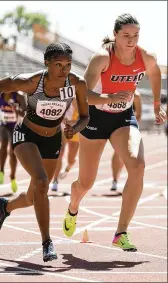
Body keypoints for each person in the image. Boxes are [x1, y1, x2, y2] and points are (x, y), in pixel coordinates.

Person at [63, 13, 167, 252]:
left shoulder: (146, 56)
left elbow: (154, 73)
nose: (131, 41)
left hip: (123, 118)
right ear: (115, 35)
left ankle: (121, 232)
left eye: (135, 36)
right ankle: (73, 206)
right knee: (86, 182)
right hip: (96, 118)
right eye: (126, 36)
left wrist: (157, 106)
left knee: (138, 166)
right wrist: (108, 97)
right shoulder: (102, 58)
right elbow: (83, 95)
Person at [0, 42, 90, 262]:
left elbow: (85, 117)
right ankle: (47, 242)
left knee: (34, 196)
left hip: (53, 140)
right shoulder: (32, 82)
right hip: (26, 136)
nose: (64, 70)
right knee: (41, 183)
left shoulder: (76, 83)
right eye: (58, 64)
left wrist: (74, 129)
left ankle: (6, 206)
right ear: (47, 63)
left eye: (68, 65)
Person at [110, 90, 142, 192]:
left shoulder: (136, 96)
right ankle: (115, 179)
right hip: (112, 125)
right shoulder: (115, 92)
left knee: (122, 154)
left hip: (127, 126)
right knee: (117, 153)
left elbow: (139, 115)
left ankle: (118, 179)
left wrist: (131, 127)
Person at [0, 91, 27, 193]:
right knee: (4, 143)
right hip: (3, 124)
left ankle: (13, 177)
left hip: (15, 125)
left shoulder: (19, 96)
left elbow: (25, 113)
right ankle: (1, 171)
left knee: (13, 151)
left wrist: (16, 109)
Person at [51, 98, 80, 192]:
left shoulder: (75, 100)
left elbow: (82, 118)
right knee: (59, 154)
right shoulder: (57, 98)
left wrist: (71, 122)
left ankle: (67, 169)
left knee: (71, 159)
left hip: (73, 130)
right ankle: (55, 180)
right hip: (61, 130)